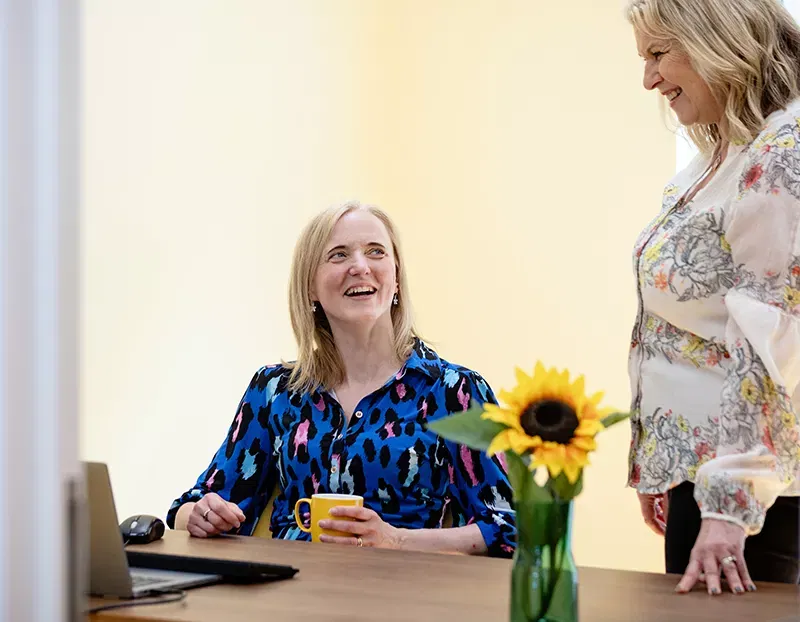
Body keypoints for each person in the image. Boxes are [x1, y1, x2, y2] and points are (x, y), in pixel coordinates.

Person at [166, 201, 516, 558]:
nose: (360, 267)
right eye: (338, 255)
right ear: (311, 288)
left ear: (396, 278)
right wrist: (201, 515)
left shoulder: (454, 391)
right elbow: (191, 507)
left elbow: (510, 528)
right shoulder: (274, 390)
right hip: (289, 597)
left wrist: (395, 539)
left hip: (401, 598)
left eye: (376, 252)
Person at [625, 0, 800, 593]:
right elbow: (682, 330)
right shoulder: (724, 154)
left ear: (716, 39)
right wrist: (661, 457)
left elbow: (772, 342)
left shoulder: (781, 154)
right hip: (702, 479)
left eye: (657, 54)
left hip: (753, 502)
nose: (648, 78)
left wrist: (727, 507)